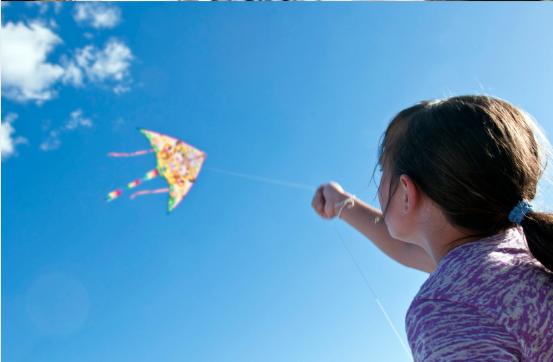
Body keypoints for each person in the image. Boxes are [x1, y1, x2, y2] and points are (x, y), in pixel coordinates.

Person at [311, 95, 553, 361]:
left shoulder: (448, 306)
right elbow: (405, 249)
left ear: (405, 192)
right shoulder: (528, 248)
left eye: (382, 170)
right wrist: (344, 203)